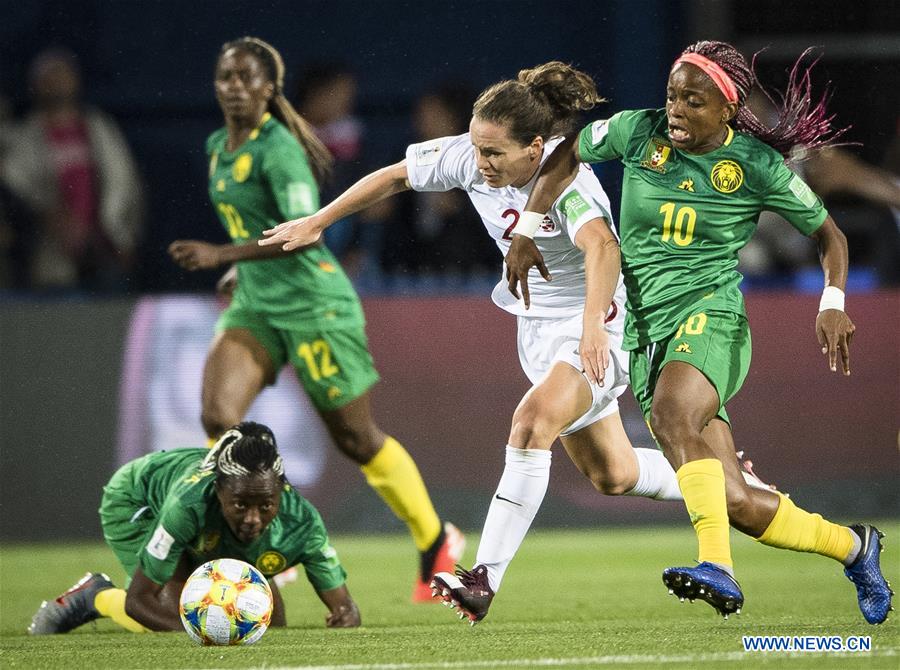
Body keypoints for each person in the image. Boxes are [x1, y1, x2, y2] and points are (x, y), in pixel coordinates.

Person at [259, 62, 774, 625]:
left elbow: (603, 247)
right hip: (536, 326)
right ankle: (724, 479)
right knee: (614, 475)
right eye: (476, 150)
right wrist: (320, 220)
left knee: (531, 423)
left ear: (537, 147)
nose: (479, 165)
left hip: (598, 321)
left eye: (494, 155)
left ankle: (484, 577)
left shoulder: (566, 178)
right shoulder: (470, 154)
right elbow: (396, 175)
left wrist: (590, 331)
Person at [510, 41, 892, 624]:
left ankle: (717, 565)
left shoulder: (757, 168)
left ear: (729, 109)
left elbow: (829, 235)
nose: (677, 110)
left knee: (671, 414)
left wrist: (832, 301)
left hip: (711, 317)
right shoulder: (639, 132)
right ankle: (854, 547)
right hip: (644, 329)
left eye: (694, 99)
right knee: (736, 501)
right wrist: (529, 227)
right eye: (671, 95)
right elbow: (565, 153)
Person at [166, 37, 463, 603]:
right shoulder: (216, 145)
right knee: (216, 414)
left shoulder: (280, 150)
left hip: (314, 304)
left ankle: (434, 539)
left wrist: (222, 255)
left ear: (269, 89)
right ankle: (266, 542)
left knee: (356, 438)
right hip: (256, 303)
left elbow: (304, 232)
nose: (234, 87)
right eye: (225, 77)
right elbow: (248, 223)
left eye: (246, 78)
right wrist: (237, 269)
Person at [28, 422, 360, 633]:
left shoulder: (303, 522)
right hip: (136, 499)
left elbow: (346, 608)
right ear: (218, 491)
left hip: (203, 524)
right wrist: (196, 633)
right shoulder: (188, 506)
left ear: (281, 492)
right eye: (241, 505)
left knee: (270, 624)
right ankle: (95, 597)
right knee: (165, 616)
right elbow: (139, 601)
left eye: (266, 506)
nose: (253, 519)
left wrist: (346, 615)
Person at [3, 48, 143, 292]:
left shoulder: (99, 127)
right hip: (53, 259)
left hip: (105, 252)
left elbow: (127, 185)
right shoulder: (24, 137)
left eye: (63, 73)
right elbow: (16, 187)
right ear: (35, 84)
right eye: (49, 76)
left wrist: (126, 238)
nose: (57, 82)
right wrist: (48, 216)